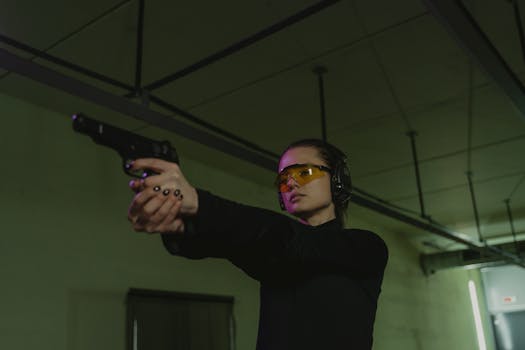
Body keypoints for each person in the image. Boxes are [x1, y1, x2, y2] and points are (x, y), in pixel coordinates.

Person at [127, 139, 388, 350]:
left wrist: (199, 203)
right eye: (284, 179)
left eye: (304, 172)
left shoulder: (366, 248)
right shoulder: (276, 254)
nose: (291, 183)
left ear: (338, 179)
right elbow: (239, 242)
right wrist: (184, 225)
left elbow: (293, 242)